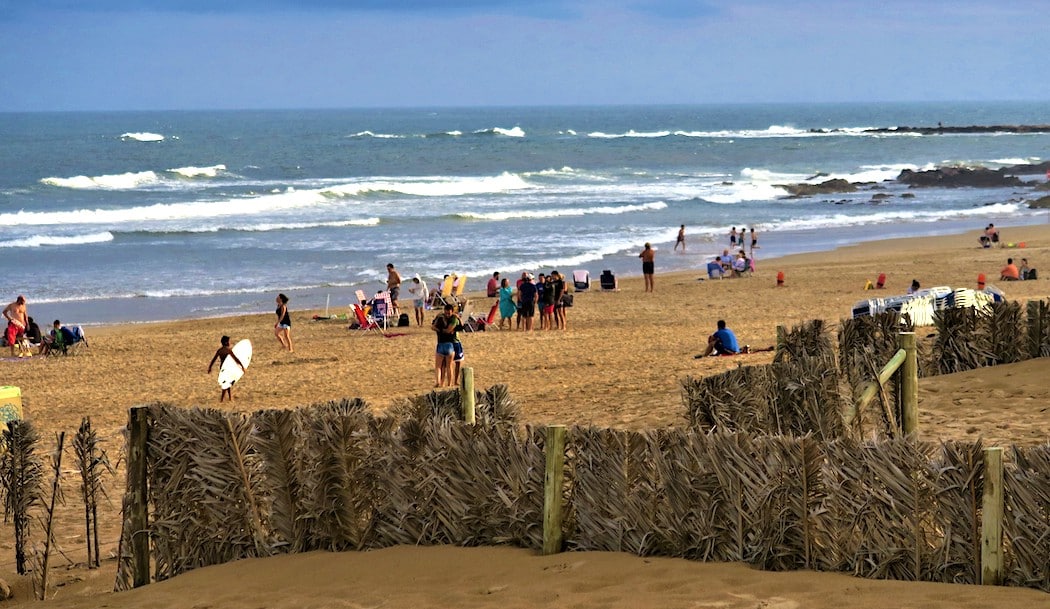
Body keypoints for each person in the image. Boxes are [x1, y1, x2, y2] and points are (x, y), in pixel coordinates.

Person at [431, 303, 463, 387]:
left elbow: (433, 327)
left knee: (439, 366)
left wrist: (439, 330)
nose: (447, 315)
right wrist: (459, 318)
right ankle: (449, 384)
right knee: (449, 366)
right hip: (449, 345)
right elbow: (460, 327)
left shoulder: (440, 320)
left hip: (441, 345)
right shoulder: (452, 320)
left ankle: (439, 382)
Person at [207, 335, 245, 402]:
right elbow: (236, 359)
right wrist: (242, 366)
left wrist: (210, 367)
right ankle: (222, 399)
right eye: (228, 341)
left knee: (228, 382)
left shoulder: (220, 350)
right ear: (226, 342)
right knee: (226, 383)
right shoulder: (228, 350)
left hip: (222, 368)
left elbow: (213, 359)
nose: (229, 343)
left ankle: (230, 397)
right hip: (228, 368)